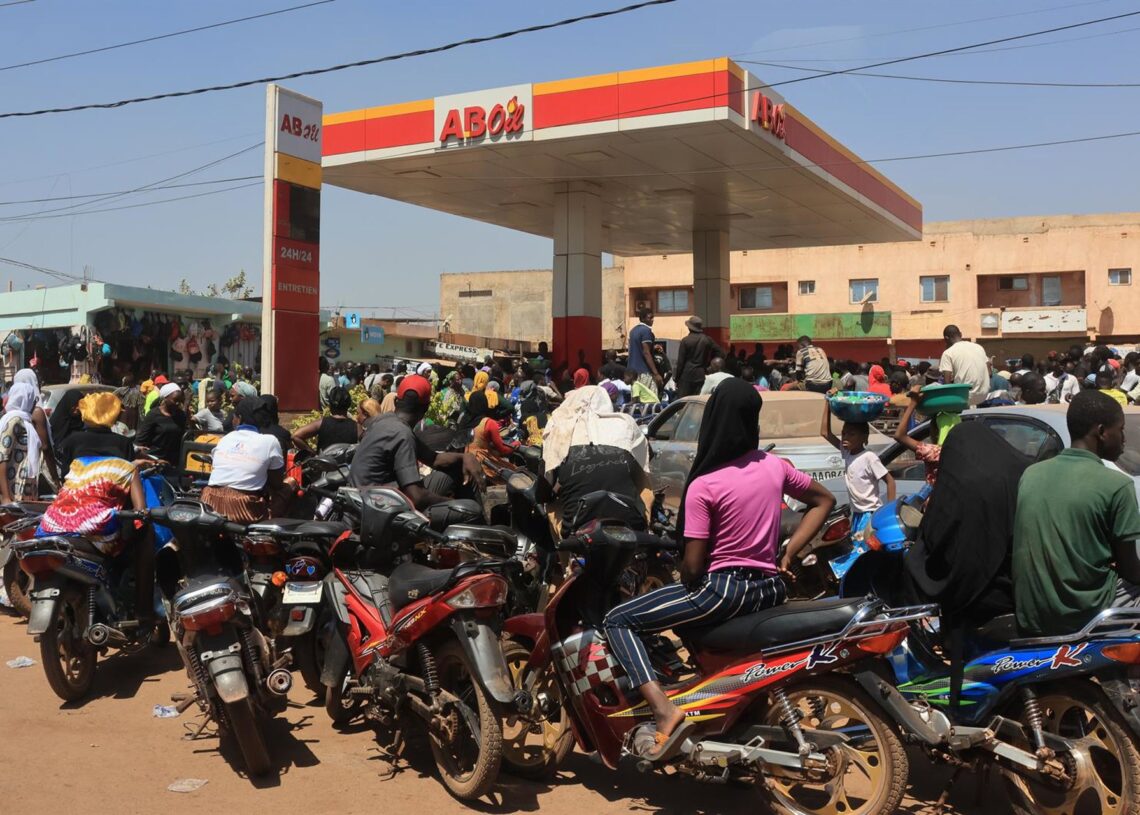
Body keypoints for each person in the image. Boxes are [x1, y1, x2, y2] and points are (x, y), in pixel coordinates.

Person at [602, 379, 835, 758]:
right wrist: (789, 553)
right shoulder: (774, 466)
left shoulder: (705, 484)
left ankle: (663, 710)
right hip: (770, 587)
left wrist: (680, 569)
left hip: (724, 591)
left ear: (712, 421)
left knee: (618, 619)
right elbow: (823, 501)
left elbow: (694, 567)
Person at [1013, 391, 1140, 636]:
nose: (1123, 438)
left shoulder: (1031, 474)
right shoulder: (1117, 485)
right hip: (1084, 613)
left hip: (1033, 614)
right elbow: (1131, 571)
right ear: (1102, 432)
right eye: (1120, 430)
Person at [349, 375, 482, 509]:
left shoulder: (385, 421)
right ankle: (477, 516)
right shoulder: (402, 434)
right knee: (470, 510)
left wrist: (464, 457)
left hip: (362, 500)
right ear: (426, 408)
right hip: (380, 508)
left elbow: (434, 459)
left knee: (460, 468)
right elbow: (416, 497)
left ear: (395, 401)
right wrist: (454, 503)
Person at [541, 385, 651, 530]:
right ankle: (648, 527)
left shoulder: (558, 428)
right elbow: (645, 462)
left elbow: (544, 490)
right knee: (644, 480)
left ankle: (562, 545)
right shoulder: (625, 422)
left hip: (576, 527)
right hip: (633, 523)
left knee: (551, 506)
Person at [201, 397, 291, 523]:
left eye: (234, 416)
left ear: (240, 418)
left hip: (209, 502)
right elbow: (277, 484)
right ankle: (272, 529)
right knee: (290, 484)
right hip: (243, 507)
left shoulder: (225, 438)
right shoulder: (270, 441)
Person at [824, 415, 895, 535]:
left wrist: (890, 511)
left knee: (865, 545)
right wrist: (828, 406)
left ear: (864, 437)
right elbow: (825, 433)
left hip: (870, 513)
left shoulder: (869, 457)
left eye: (851, 434)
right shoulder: (847, 453)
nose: (845, 437)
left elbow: (890, 481)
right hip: (857, 514)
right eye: (844, 433)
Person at [56, 392, 135, 476]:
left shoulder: (72, 440)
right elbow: (129, 475)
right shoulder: (124, 443)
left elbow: (66, 473)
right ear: (113, 413)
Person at [0, 382, 42, 503]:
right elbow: (2, 458)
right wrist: (6, 497)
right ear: (25, 399)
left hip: (25, 492)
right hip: (13, 493)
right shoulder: (14, 421)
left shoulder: (26, 422)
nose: (34, 404)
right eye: (33, 400)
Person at [463, 390, 518, 478]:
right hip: (484, 465)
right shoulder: (489, 423)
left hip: (466, 462)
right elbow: (502, 449)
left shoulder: (464, 422)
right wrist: (516, 444)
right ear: (485, 404)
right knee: (516, 474)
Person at [293, 386, 359, 455]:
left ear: (330, 405)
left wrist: (313, 454)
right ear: (348, 405)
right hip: (348, 461)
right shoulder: (357, 427)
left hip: (324, 461)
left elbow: (296, 436)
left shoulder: (321, 423)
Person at [136, 383, 187, 467]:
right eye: (175, 400)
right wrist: (152, 460)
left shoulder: (181, 415)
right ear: (165, 398)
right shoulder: (153, 415)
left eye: (180, 400)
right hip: (154, 460)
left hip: (173, 462)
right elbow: (140, 441)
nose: (178, 403)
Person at [938, 325, 990, 406]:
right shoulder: (979, 347)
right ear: (961, 334)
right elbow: (989, 372)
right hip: (983, 395)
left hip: (964, 397)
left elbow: (946, 383)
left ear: (946, 338)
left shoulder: (948, 353)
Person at [675, 316, 722, 397]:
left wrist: (677, 378)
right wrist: (710, 365)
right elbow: (720, 352)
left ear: (689, 328)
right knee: (698, 400)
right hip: (701, 375)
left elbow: (680, 362)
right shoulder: (707, 340)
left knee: (683, 401)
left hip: (686, 376)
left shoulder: (685, 340)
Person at [628, 306, 665, 399]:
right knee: (651, 399)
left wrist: (653, 347)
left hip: (632, 372)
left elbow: (638, 347)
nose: (652, 320)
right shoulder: (646, 331)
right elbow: (646, 352)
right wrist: (656, 373)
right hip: (644, 372)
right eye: (650, 317)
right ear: (643, 318)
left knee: (636, 399)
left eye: (653, 317)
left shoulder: (633, 331)